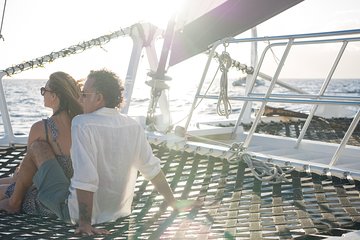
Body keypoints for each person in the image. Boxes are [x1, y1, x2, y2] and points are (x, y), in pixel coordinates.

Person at [0, 69, 199, 236]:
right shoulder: (132, 125)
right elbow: (151, 169)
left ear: (99, 98)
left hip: (76, 212)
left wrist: (84, 223)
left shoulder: (82, 123)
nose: (79, 98)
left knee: (37, 148)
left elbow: (86, 178)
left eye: (84, 94)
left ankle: (13, 202)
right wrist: (174, 202)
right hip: (119, 211)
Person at [0, 71, 83, 215]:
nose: (42, 94)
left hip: (45, 200)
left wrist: (15, 179)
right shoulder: (82, 124)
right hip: (76, 194)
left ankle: (13, 203)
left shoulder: (42, 129)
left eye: (44, 90)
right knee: (9, 180)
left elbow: (29, 173)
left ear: (54, 96)